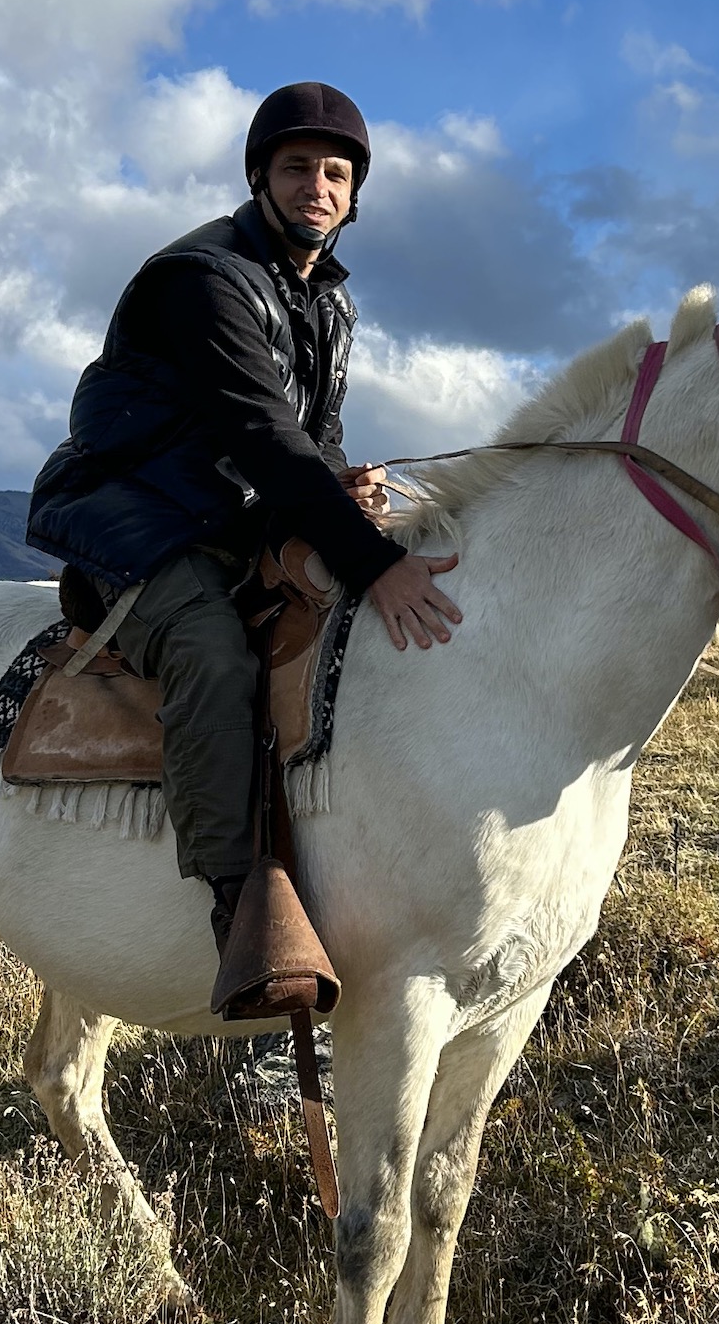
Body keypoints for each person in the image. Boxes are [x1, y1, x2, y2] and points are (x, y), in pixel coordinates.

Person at [26, 81, 462, 953]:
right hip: (138, 512)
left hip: (234, 512)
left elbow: (313, 435)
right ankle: (239, 906)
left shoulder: (327, 299)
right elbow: (263, 435)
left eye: (337, 174)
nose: (319, 188)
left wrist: (340, 485)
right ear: (261, 175)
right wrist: (376, 561)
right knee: (211, 649)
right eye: (298, 167)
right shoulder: (203, 279)